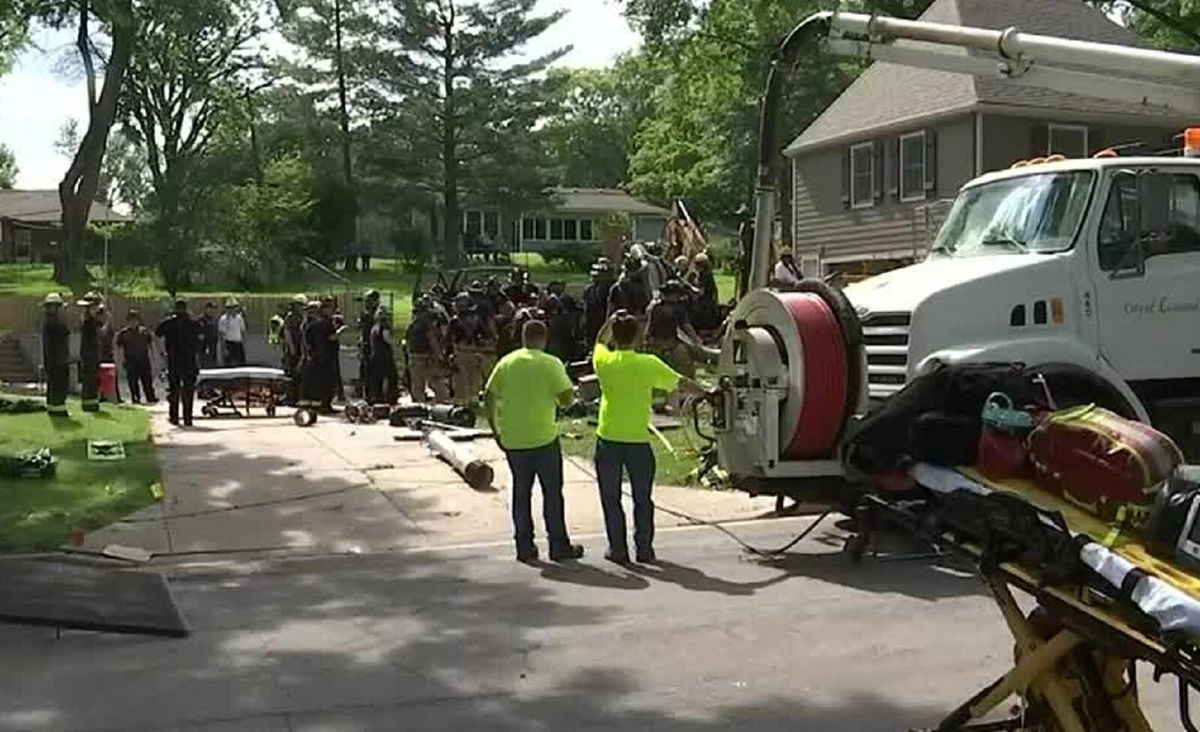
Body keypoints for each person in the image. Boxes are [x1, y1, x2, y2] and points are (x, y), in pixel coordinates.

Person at [592, 310, 699, 564]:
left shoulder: (604, 362)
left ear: (615, 337)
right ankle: (644, 549)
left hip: (608, 437)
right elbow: (681, 382)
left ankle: (617, 549)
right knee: (642, 498)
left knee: (611, 498)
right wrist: (709, 391)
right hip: (638, 440)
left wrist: (610, 321)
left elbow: (598, 341)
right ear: (638, 338)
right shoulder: (647, 364)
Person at [485, 319, 584, 563]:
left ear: (522, 338)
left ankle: (524, 546)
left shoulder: (506, 362)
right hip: (543, 437)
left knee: (521, 493)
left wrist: (494, 428)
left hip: (514, 438)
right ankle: (558, 545)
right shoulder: (551, 363)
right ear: (545, 339)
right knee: (552, 493)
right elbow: (566, 399)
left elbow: (489, 394)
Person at [156, 298, 201, 426]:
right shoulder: (193, 323)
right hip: (189, 359)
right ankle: (188, 418)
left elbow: (157, 335)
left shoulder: (169, 322)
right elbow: (199, 340)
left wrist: (162, 352)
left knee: (174, 389)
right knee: (188, 390)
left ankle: (174, 417)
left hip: (174, 359)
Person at [448, 292, 496, 406]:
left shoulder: (454, 320)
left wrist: (447, 354)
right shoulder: (477, 319)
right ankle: (473, 401)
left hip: (460, 352)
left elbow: (447, 339)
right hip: (475, 352)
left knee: (461, 380)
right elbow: (487, 334)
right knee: (474, 379)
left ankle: (462, 403)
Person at [645, 280, 700, 379]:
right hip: (672, 344)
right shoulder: (679, 308)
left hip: (655, 344)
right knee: (688, 369)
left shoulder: (654, 307)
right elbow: (687, 327)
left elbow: (648, 326)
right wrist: (696, 340)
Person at [405, 296, 449, 403]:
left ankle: (420, 407)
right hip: (427, 357)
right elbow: (432, 341)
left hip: (414, 356)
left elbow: (407, 342)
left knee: (417, 385)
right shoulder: (427, 325)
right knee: (436, 382)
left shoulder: (412, 324)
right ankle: (438, 404)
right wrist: (440, 356)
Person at [299, 300, 336, 412]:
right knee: (319, 382)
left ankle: (315, 405)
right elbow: (321, 341)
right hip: (319, 357)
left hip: (314, 356)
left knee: (313, 382)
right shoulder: (318, 324)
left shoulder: (309, 324)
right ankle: (319, 405)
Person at [116, 309, 157, 403]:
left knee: (147, 379)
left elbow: (151, 345)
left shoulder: (144, 331)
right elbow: (119, 348)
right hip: (130, 360)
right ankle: (135, 397)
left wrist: (154, 358)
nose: (133, 322)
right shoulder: (123, 333)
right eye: (131, 320)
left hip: (143, 359)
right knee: (132, 381)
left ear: (138, 321)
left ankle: (150, 396)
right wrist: (120, 360)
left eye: (135, 320)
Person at [41, 292, 71, 417]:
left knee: (54, 385)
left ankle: (54, 407)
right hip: (57, 360)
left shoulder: (51, 322)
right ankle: (57, 409)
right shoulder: (53, 323)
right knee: (58, 386)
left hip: (56, 359)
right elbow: (65, 332)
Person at [367, 306, 400, 404]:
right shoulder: (384, 328)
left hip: (375, 356)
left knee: (377, 379)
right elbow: (388, 340)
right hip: (385, 357)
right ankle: (391, 398)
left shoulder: (374, 328)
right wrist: (395, 342)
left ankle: (377, 398)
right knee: (392, 377)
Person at [76, 291, 102, 412]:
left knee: (91, 379)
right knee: (91, 379)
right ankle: (90, 403)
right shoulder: (88, 321)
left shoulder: (88, 319)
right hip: (89, 354)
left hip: (89, 353)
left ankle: (90, 402)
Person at [582, 258, 615, 346]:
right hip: (591, 325)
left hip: (606, 324)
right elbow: (586, 309)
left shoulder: (613, 288)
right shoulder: (589, 289)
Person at [282, 294, 307, 403]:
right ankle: (291, 397)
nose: (300, 307)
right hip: (292, 348)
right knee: (291, 373)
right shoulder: (290, 317)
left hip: (301, 348)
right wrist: (292, 347)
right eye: (299, 305)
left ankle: (298, 396)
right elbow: (287, 333)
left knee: (300, 373)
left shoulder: (303, 317)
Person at [688, 253, 721, 333]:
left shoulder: (704, 276)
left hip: (704, 305)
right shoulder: (707, 274)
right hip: (709, 303)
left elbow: (700, 292)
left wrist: (689, 287)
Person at [357, 290, 381, 400]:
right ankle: (368, 395)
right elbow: (361, 330)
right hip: (366, 345)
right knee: (366, 372)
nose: (367, 303)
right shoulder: (366, 314)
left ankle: (375, 395)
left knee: (375, 372)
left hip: (376, 347)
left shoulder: (377, 314)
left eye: (369, 301)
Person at [96, 304, 120, 403]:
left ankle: (114, 396)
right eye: (100, 314)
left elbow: (110, 330)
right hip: (99, 356)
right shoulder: (95, 326)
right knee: (99, 378)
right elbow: (102, 333)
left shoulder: (107, 327)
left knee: (112, 376)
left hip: (108, 356)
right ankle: (101, 396)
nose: (101, 316)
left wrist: (109, 317)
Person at [218, 299, 247, 366]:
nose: (232, 310)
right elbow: (222, 334)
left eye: (234, 307)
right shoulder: (223, 319)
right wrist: (224, 348)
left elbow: (243, 330)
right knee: (229, 363)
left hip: (238, 343)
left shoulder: (239, 318)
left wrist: (243, 341)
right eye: (230, 308)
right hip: (229, 343)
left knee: (241, 363)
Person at [197, 302, 220, 369]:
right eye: (210, 309)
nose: (211, 310)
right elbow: (200, 334)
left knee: (213, 361)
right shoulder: (201, 320)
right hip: (205, 345)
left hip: (213, 344)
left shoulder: (214, 319)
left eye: (212, 309)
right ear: (206, 309)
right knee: (205, 362)